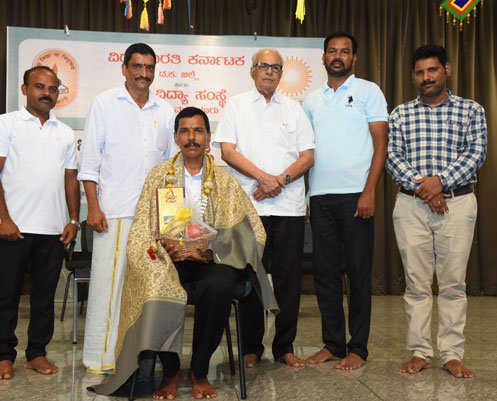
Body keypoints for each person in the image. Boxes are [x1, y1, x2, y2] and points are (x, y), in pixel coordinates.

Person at [91, 107, 278, 399]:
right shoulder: (157, 176)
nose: (192, 137)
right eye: (185, 131)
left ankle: (199, 370)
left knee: (220, 285)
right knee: (155, 281)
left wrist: (211, 250)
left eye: (198, 131)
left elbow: (252, 231)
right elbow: (142, 229)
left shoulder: (225, 181)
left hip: (211, 261)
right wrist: (163, 248)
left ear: (208, 138)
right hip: (167, 260)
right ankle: (171, 371)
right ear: (176, 138)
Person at [386, 44, 487, 379]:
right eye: (419, 72)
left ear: (447, 69)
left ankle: (452, 354)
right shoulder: (400, 114)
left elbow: (476, 153)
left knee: (453, 283)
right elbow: (392, 156)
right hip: (410, 205)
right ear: (413, 76)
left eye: (432, 70)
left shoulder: (471, 110)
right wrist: (426, 190)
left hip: (457, 204)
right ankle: (419, 351)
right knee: (416, 284)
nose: (426, 77)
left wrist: (440, 182)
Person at [213, 48, 315, 368]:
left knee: (288, 280)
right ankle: (251, 348)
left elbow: (308, 156)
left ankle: (284, 346)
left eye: (275, 67)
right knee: (250, 278)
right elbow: (227, 151)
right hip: (249, 205)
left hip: (289, 207)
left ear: (281, 74)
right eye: (263, 66)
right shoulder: (236, 105)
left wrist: (279, 181)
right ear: (252, 71)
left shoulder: (295, 109)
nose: (269, 71)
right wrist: (262, 178)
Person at [78, 43, 175, 374]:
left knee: (147, 289)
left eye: (149, 68)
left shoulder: (165, 110)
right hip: (114, 212)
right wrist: (93, 208)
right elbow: (89, 163)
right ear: (124, 68)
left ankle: (138, 357)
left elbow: (169, 168)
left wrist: (169, 218)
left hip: (153, 218)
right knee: (108, 288)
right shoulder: (105, 104)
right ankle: (100, 358)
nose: (143, 74)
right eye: (137, 66)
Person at [0, 66, 80, 380]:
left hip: (53, 230)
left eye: (52, 89)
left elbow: (71, 179)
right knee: (7, 295)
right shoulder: (5, 124)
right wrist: (3, 218)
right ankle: (3, 355)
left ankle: (37, 353)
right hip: (14, 228)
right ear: (25, 89)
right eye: (39, 87)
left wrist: (73, 220)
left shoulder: (65, 132)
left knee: (44, 297)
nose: (46, 93)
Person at [303, 32, 389, 370]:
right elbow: (307, 153)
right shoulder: (311, 100)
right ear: (323, 57)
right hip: (320, 198)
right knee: (325, 275)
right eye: (332, 51)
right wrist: (308, 196)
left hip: (356, 196)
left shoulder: (369, 91)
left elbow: (381, 145)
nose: (338, 56)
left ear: (354, 57)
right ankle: (333, 344)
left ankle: (358, 349)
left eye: (345, 51)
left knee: (357, 273)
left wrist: (369, 191)